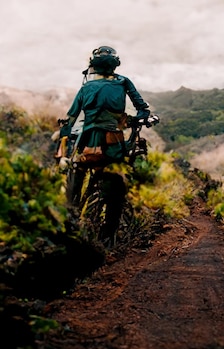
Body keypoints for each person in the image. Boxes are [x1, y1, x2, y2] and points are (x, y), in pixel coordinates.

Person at [61, 45, 151, 244]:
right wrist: (136, 120)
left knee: (74, 177)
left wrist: (63, 141)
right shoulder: (123, 82)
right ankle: (109, 237)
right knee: (117, 189)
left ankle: (70, 220)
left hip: (87, 144)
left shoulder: (85, 87)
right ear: (115, 65)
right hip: (112, 145)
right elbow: (142, 109)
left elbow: (70, 119)